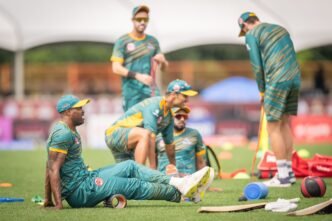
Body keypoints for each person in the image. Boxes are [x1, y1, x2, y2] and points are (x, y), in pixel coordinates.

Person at [44, 94, 213, 209]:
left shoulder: (69, 130)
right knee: (133, 185)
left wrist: (47, 200)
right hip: (80, 192)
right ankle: (183, 193)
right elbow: (52, 169)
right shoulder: (63, 134)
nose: (83, 110)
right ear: (67, 112)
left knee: (130, 166)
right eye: (78, 108)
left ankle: (180, 184)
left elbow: (49, 166)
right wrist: (57, 204)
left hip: (87, 179)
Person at [238, 12, 301, 187]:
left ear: (244, 26)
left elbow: (257, 65)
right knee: (284, 124)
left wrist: (262, 91)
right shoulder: (281, 28)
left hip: (277, 80)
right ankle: (289, 172)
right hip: (294, 78)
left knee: (273, 126)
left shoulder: (251, 34)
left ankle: (282, 176)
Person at [105, 79, 197, 169]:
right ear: (173, 95)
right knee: (145, 134)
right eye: (185, 96)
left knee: (128, 178)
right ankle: (140, 171)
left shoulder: (169, 117)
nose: (187, 100)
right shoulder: (155, 105)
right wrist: (152, 167)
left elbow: (169, 145)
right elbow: (150, 136)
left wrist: (174, 168)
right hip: (114, 134)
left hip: (129, 143)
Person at [111, 5, 168, 111]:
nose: (142, 22)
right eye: (139, 19)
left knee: (157, 120)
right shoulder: (123, 41)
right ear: (132, 20)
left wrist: (163, 61)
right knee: (133, 125)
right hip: (131, 91)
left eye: (145, 19)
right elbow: (116, 68)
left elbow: (164, 68)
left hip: (150, 90)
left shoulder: (153, 41)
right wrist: (138, 76)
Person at [156, 106, 206, 176]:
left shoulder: (194, 134)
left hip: (187, 179)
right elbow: (153, 162)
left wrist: (203, 183)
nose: (182, 119)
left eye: (185, 117)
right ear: (169, 117)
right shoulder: (158, 135)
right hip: (165, 180)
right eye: (178, 116)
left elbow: (201, 162)